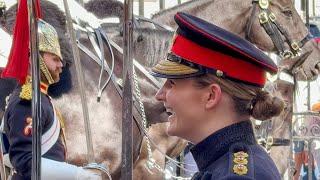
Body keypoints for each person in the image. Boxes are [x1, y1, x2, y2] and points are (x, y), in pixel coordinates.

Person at [151, 12, 284, 180]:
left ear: (211, 96)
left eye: (172, 82)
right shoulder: (227, 166)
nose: (159, 95)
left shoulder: (235, 176)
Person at [1, 1, 101, 179]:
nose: (61, 65)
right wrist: (77, 175)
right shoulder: (28, 101)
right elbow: (26, 161)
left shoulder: (40, 97)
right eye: (55, 59)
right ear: (34, 58)